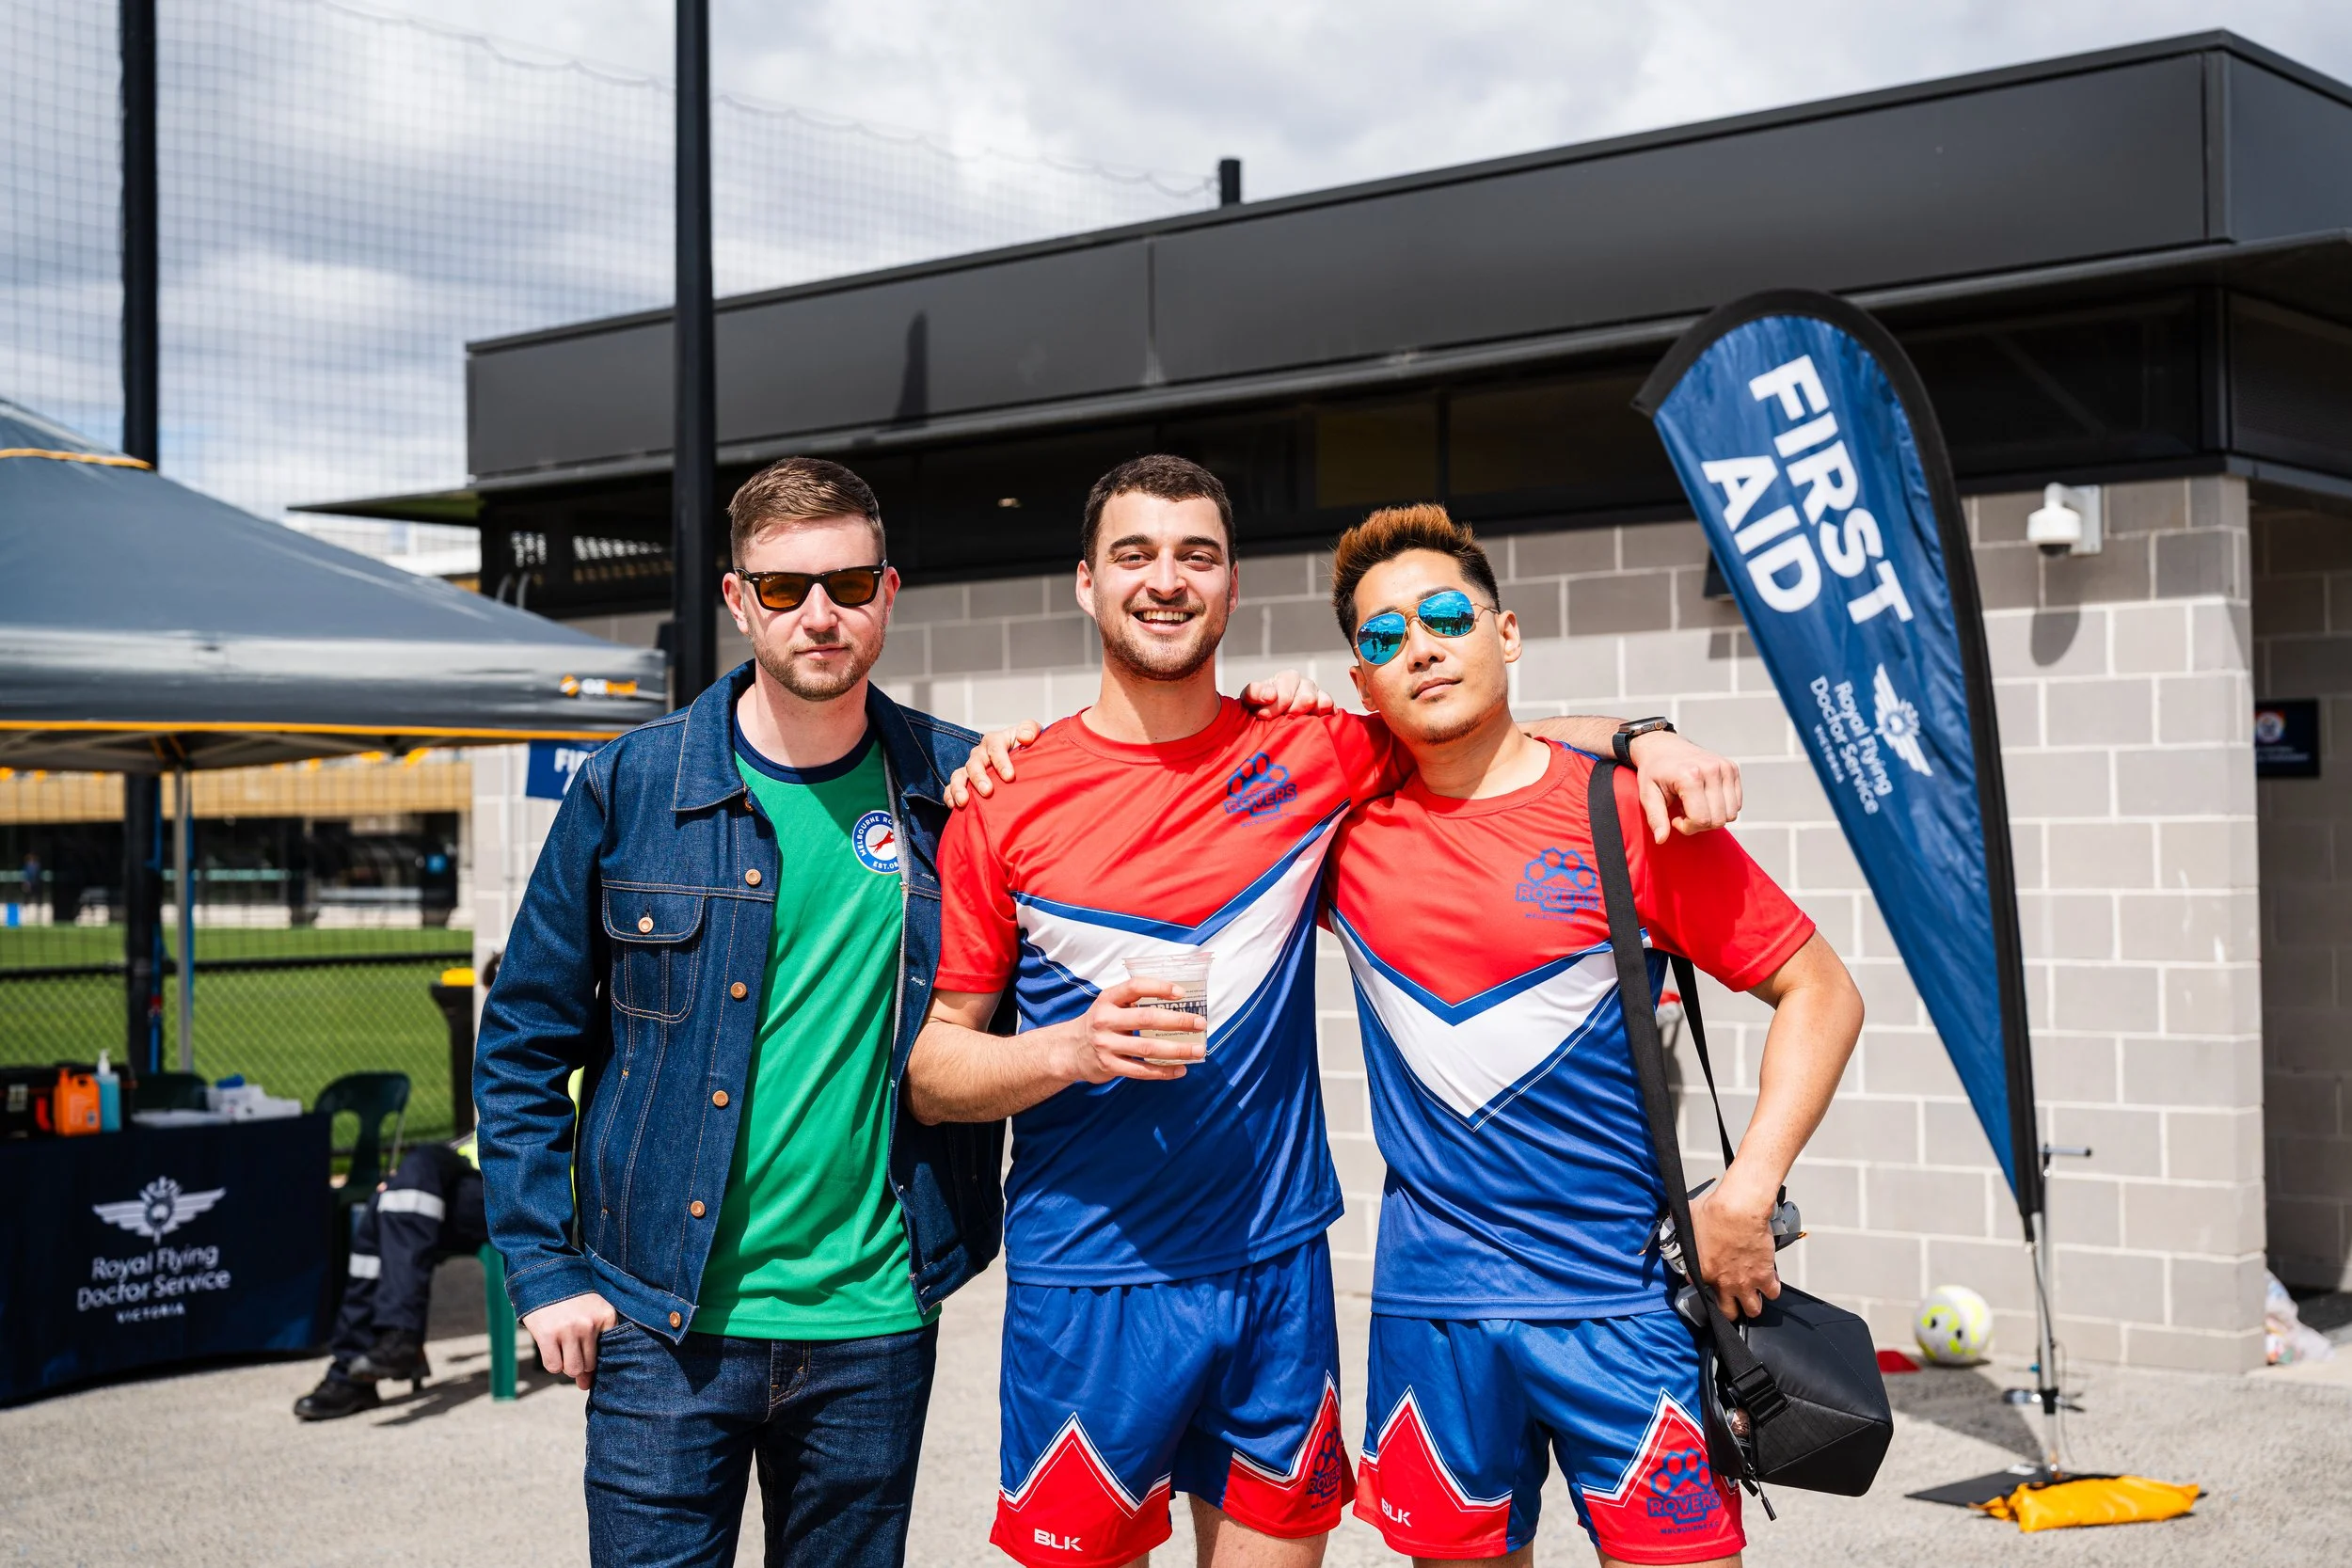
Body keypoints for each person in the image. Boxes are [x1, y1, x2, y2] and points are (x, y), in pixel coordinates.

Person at [472, 455, 1335, 1568]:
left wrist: (1633, 731)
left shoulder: (959, 782)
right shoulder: (633, 785)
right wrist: (546, 1269)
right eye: (783, 588)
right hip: (662, 1315)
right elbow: (526, 1045)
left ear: (889, 591)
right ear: (739, 599)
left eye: (848, 581)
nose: (818, 613)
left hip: (873, 1316)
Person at [909, 455, 1747, 1568]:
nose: (1166, 580)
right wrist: (1065, 1047)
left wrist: (1646, 736)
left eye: (1195, 554)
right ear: (1084, 582)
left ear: (1231, 584)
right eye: (1135, 555)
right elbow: (932, 1066)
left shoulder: (1314, 750)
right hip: (1091, 1279)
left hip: (1277, 1266)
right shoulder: (1003, 794)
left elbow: (1501, 738)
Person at [1321, 504, 1865, 1568]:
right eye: (1381, 637)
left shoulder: (1629, 812)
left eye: (1444, 616)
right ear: (1361, 682)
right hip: (1433, 1314)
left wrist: (1747, 1194)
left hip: (1622, 1304)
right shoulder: (1342, 825)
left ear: (1505, 631)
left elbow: (1822, 990)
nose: (1420, 647)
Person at [293, 1140, 486, 1420]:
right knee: (390, 1198)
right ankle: (377, 1353)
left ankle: (382, 1348)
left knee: (413, 1174)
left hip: (527, 1189)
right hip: (475, 1172)